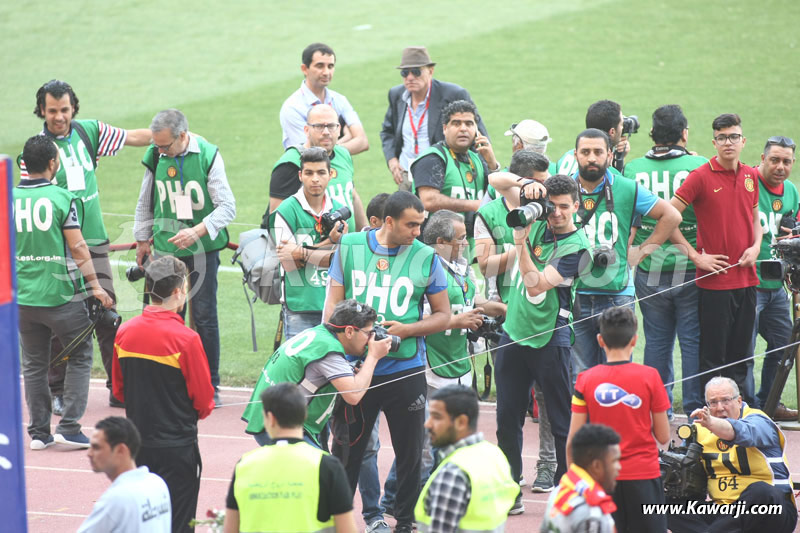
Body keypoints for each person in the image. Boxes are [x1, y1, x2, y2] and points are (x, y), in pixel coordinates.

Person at [325, 191, 451, 533]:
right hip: (355, 373)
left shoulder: (426, 256)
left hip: (404, 371)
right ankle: (336, 523)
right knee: (346, 453)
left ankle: (405, 524)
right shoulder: (350, 246)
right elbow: (330, 312)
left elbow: (444, 316)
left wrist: (407, 329)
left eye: (421, 224)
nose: (417, 231)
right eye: (411, 224)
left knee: (410, 455)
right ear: (389, 221)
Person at [22, 80, 151, 411]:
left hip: (94, 243)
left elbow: (134, 137)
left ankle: (118, 387)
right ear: (41, 111)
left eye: (64, 109)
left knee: (107, 313)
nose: (59, 117)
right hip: (59, 249)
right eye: (52, 111)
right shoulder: (36, 152)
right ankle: (57, 390)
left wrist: (176, 136)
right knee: (59, 321)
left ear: (73, 108)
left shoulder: (88, 132)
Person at [495, 174, 593, 515]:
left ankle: (565, 494)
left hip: (552, 336)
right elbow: (496, 180)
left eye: (565, 207)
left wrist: (520, 242)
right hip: (513, 332)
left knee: (562, 418)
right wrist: (527, 186)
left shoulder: (578, 249)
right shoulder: (537, 217)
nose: (557, 214)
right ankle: (511, 489)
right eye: (552, 207)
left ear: (577, 206)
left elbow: (535, 285)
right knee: (506, 418)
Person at [15, 135, 113, 450]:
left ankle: (39, 433)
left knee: (33, 363)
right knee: (82, 353)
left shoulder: (9, 198)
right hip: (59, 296)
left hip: (23, 299)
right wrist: (96, 286)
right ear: (53, 163)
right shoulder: (62, 197)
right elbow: (79, 246)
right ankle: (70, 426)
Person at [134, 108, 236, 405]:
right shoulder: (156, 155)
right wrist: (142, 239)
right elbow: (145, 201)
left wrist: (198, 231)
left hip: (203, 250)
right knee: (165, 317)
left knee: (204, 318)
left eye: (164, 145)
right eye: (156, 145)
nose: (159, 150)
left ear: (182, 136)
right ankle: (169, 382)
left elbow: (228, 207)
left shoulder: (208, 154)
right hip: (167, 250)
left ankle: (210, 384)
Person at [112, 256, 215, 533]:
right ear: (178, 292)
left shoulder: (124, 332)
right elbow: (204, 403)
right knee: (179, 523)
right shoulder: (187, 339)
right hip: (177, 448)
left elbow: (119, 390)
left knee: (141, 522)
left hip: (137, 446)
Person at [571, 128, 680, 375]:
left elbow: (671, 215)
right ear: (576, 154)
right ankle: (585, 417)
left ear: (610, 155)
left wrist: (641, 252)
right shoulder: (564, 187)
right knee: (579, 374)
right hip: (574, 293)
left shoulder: (628, 188)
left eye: (598, 152)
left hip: (616, 295)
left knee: (616, 373)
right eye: (585, 152)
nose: (591, 158)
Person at [481, 151, 560, 493]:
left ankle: (550, 467)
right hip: (509, 320)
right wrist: (520, 242)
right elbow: (485, 266)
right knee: (508, 409)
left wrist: (520, 242)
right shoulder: (493, 209)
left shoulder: (555, 214)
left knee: (552, 406)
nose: (548, 193)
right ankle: (510, 481)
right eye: (541, 184)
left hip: (549, 323)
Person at [624, 104, 708, 417]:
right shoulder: (700, 165)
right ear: (684, 134)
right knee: (692, 342)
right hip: (691, 267)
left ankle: (657, 412)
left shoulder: (633, 169)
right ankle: (696, 411)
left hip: (651, 266)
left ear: (653, 135)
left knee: (657, 343)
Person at [671, 113, 760, 404]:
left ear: (743, 141)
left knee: (743, 357)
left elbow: (755, 217)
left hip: (747, 280)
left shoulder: (750, 175)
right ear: (714, 142)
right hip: (714, 286)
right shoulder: (700, 176)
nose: (728, 143)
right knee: (714, 360)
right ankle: (712, 419)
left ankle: (741, 415)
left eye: (733, 137)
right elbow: (668, 217)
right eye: (722, 138)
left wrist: (757, 246)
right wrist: (696, 257)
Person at [567, 306, 670, 532]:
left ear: (600, 340)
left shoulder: (585, 380)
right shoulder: (650, 377)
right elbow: (663, 436)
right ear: (634, 340)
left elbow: (573, 440)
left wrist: (575, 482)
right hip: (644, 476)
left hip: (601, 477)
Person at [242, 299, 391, 447]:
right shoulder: (328, 351)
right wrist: (373, 356)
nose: (371, 340)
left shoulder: (320, 334)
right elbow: (353, 395)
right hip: (280, 424)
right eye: (368, 334)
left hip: (271, 416)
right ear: (349, 331)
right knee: (318, 468)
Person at [667, 377, 796, 533]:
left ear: (739, 401)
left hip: (770, 512)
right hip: (723, 512)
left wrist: (712, 424)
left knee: (761, 491)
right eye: (713, 402)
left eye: (726, 400)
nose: (720, 407)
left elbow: (740, 432)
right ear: (707, 404)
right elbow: (680, 466)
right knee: (664, 502)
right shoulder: (699, 429)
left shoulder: (760, 421)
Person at [224, 383, 357, 533]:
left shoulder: (245, 465)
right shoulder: (327, 465)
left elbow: (230, 528)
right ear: (304, 415)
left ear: (270, 418)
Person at [381, 46, 488, 191]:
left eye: (416, 72)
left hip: (443, 176)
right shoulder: (396, 95)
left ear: (430, 71)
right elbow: (387, 132)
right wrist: (392, 159)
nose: (410, 77)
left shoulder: (453, 95)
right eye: (405, 73)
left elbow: (478, 136)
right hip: (406, 176)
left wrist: (482, 174)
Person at [414, 385, 518, 533]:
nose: (427, 423)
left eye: (436, 417)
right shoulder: (496, 456)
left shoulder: (452, 474)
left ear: (461, 422)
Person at [271, 148, 347, 339]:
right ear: (300, 175)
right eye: (309, 173)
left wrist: (300, 253)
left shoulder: (341, 210)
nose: (315, 179)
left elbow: (343, 262)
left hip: (336, 306)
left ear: (331, 175)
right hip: (300, 307)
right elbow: (289, 264)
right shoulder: (286, 210)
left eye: (321, 173)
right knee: (301, 367)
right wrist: (330, 244)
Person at [750, 136, 798, 419]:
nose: (780, 166)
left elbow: (794, 224)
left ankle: (768, 403)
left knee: (784, 343)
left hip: (776, 285)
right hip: (747, 283)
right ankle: (744, 405)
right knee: (742, 349)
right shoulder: (747, 183)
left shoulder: (790, 190)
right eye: (775, 160)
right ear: (763, 158)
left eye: (787, 161)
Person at [410, 99, 499, 252]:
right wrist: (473, 205)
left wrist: (493, 164)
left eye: (469, 124)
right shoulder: (432, 158)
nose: (463, 129)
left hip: (465, 246)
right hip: (433, 248)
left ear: (477, 129)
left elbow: (497, 196)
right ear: (445, 128)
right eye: (456, 123)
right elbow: (428, 200)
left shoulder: (477, 158)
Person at [269, 104, 367, 229]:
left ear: (339, 129)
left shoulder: (343, 154)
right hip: (310, 246)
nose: (326, 132)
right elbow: (277, 218)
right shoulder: (290, 163)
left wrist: (364, 231)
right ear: (306, 130)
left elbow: (351, 194)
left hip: (347, 245)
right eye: (319, 126)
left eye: (331, 126)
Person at [78, 417, 171, 533]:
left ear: (121, 450)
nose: (89, 454)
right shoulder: (158, 483)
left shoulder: (117, 498)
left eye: (96, 447)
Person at [279, 42, 368, 155]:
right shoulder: (293, 107)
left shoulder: (339, 100)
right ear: (304, 69)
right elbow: (309, 154)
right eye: (320, 66)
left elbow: (362, 142)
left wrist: (331, 147)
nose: (326, 72)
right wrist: (347, 137)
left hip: (337, 172)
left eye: (330, 66)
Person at [540, 424, 621, 533]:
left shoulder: (560, 491)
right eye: (614, 461)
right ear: (596, 466)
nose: (619, 467)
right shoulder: (592, 513)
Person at [555, 99, 631, 177]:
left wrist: (619, 158)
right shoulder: (602, 167)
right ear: (612, 132)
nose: (622, 128)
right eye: (621, 124)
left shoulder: (567, 156)